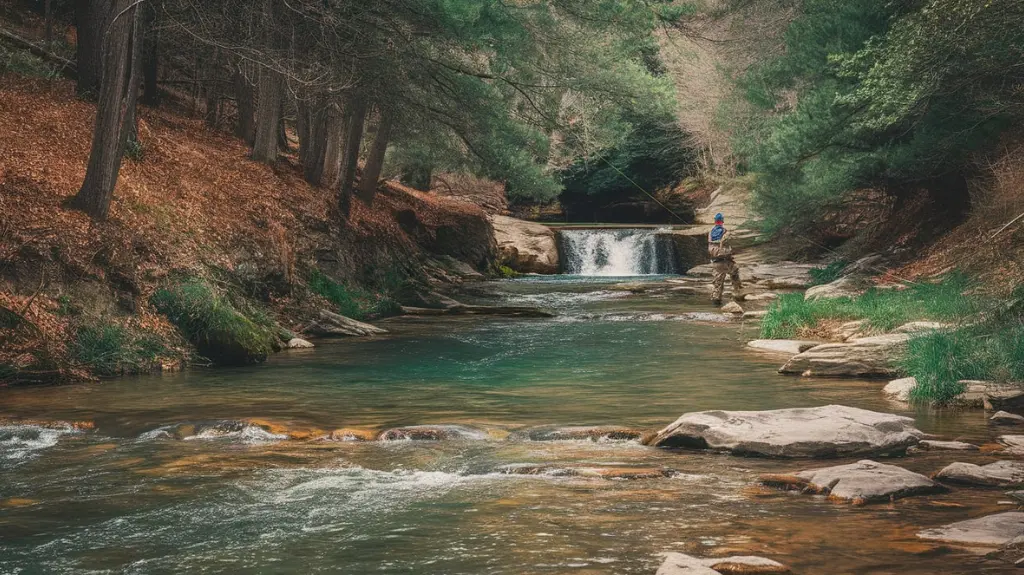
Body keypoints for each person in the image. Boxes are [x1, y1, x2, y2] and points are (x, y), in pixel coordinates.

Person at [708, 213, 742, 306]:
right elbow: (730, 245)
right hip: (726, 261)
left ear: (715, 221)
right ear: (722, 221)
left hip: (715, 262)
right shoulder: (725, 231)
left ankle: (716, 303)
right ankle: (737, 292)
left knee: (718, 283)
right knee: (735, 272)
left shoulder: (710, 232)